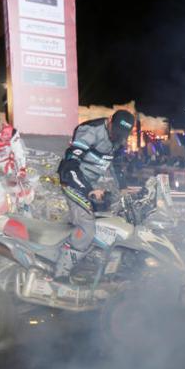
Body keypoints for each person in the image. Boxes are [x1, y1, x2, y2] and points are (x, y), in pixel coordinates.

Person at [54, 110, 135, 279]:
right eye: (115, 132)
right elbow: (70, 165)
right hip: (73, 179)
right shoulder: (90, 131)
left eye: (122, 135)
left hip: (91, 183)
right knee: (87, 228)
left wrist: (123, 188)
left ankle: (86, 259)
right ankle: (60, 273)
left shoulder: (119, 138)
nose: (117, 137)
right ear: (110, 121)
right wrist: (88, 190)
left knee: (109, 222)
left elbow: (117, 163)